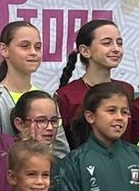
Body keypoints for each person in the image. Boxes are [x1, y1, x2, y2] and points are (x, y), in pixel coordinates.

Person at [56, 19, 132, 149]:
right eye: (107, 43)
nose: (116, 49)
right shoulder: (67, 95)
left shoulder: (126, 90)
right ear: (85, 51)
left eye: (119, 43)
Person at [0, 19, 43, 137]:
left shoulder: (47, 98)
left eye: (38, 47)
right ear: (4, 50)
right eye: (25, 46)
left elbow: (60, 149)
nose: (33, 52)